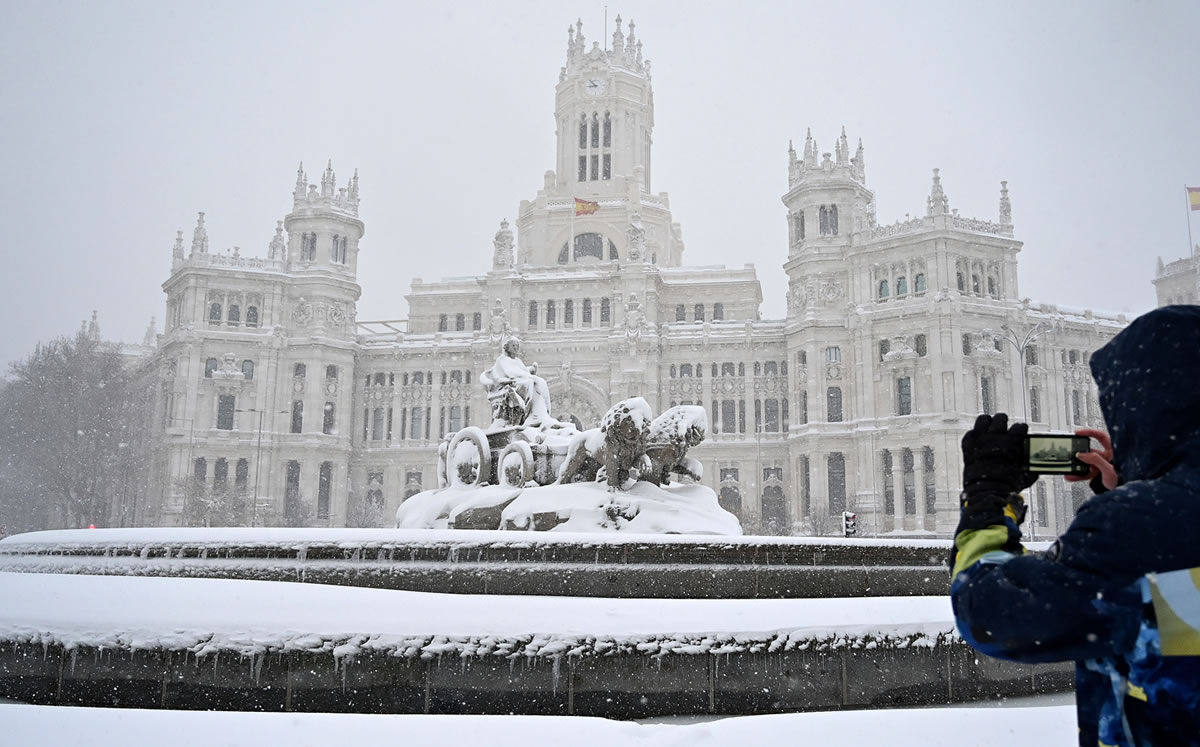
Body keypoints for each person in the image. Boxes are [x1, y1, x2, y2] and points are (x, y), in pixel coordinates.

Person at [950, 305, 1200, 746]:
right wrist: (1145, 483)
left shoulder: (1141, 530)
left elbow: (990, 611)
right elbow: (1175, 612)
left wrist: (987, 502)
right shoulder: (1158, 533)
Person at [479, 337, 553, 427]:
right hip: (509, 385)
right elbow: (511, 373)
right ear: (507, 347)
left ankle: (541, 413)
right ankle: (534, 415)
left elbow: (521, 371)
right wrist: (528, 376)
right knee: (530, 383)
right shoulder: (502, 360)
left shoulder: (517, 361)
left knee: (541, 382)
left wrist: (531, 370)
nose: (516, 348)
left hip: (518, 382)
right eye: (513, 345)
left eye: (517, 346)